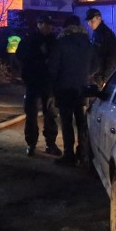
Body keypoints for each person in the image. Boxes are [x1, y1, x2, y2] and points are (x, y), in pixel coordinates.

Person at [49, 15, 93, 166]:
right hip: (81, 88)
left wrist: (52, 88)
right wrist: (85, 76)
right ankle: (83, 153)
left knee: (67, 122)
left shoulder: (61, 42)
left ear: (65, 27)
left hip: (64, 88)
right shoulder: (88, 42)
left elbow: (53, 68)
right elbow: (96, 65)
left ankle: (69, 155)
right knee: (81, 121)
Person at [15, 14, 61, 157]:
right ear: (39, 24)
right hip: (33, 81)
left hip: (48, 82)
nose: (49, 28)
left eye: (50, 25)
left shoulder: (54, 41)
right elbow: (20, 56)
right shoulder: (29, 40)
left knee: (50, 113)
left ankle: (51, 143)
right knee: (31, 114)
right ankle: (31, 143)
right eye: (46, 25)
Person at [85, 8, 116, 87]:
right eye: (88, 22)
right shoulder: (96, 33)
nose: (90, 24)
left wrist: (106, 79)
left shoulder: (106, 34)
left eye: (92, 21)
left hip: (101, 77)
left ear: (99, 18)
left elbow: (111, 57)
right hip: (96, 76)